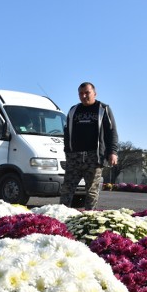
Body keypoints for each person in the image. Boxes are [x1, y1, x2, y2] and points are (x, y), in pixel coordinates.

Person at [59, 82, 118, 210]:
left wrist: (112, 152)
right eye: (81, 93)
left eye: (87, 93)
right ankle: (61, 217)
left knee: (91, 190)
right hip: (74, 157)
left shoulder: (103, 109)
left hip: (94, 157)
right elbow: (67, 133)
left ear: (94, 93)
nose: (84, 96)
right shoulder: (73, 110)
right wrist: (67, 151)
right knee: (67, 189)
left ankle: (89, 218)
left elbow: (111, 131)